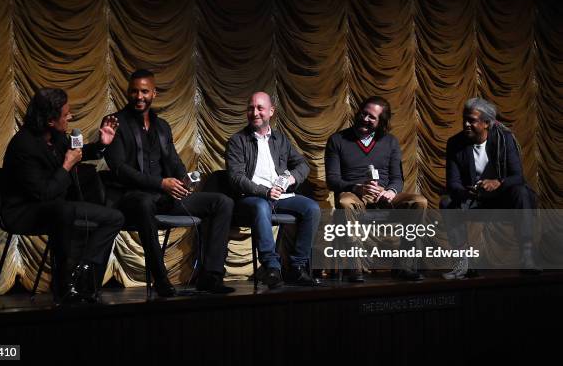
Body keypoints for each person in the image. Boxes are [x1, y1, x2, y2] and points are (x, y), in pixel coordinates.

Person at [103, 69, 235, 296]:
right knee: (144, 203)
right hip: (132, 197)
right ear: (128, 92)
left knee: (222, 202)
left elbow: (173, 160)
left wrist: (184, 179)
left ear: (154, 93)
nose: (139, 96)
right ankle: (161, 279)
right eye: (134, 91)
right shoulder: (116, 123)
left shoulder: (162, 126)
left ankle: (211, 276)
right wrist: (161, 184)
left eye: (144, 91)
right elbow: (120, 170)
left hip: (164, 195)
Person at [3, 88, 124, 303]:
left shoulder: (57, 137)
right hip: (24, 211)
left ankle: (82, 270)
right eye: (65, 114)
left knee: (115, 218)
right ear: (50, 120)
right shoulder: (23, 145)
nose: (70, 117)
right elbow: (43, 194)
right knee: (63, 208)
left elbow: (77, 153)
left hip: (57, 207)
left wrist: (101, 145)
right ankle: (63, 283)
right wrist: (67, 165)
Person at [325, 96, 427, 281]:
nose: (365, 119)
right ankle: (355, 268)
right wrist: (357, 187)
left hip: (384, 194)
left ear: (381, 122)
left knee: (419, 202)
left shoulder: (390, 142)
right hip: (355, 193)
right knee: (345, 202)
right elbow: (332, 180)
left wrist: (391, 191)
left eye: (372, 117)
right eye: (364, 114)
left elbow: (397, 178)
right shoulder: (337, 140)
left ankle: (404, 266)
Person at [225, 91, 320, 289]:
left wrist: (292, 178)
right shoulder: (237, 141)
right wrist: (264, 192)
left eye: (260, 108)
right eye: (251, 108)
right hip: (251, 198)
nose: (255, 112)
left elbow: (303, 164)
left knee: (312, 208)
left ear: (271, 111)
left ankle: (296, 267)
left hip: (281, 196)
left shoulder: (280, 140)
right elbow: (236, 178)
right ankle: (272, 267)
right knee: (261, 207)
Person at [442, 97, 538, 279]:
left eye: (472, 120)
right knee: (447, 202)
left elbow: (518, 176)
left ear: (487, 123)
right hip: (473, 199)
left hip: (502, 199)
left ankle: (528, 257)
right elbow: (452, 183)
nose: (466, 124)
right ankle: (463, 263)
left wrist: (498, 182)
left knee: (522, 192)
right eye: (464, 119)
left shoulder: (505, 139)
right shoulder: (455, 143)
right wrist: (467, 191)